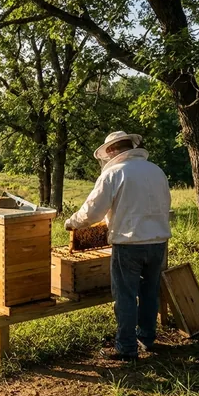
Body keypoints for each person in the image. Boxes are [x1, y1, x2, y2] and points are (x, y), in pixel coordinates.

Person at [64, 131, 171, 361]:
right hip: (159, 243)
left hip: (129, 244)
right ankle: (147, 338)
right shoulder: (156, 171)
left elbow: (91, 213)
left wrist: (71, 223)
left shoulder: (114, 173)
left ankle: (126, 348)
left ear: (112, 151)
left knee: (125, 296)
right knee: (150, 293)